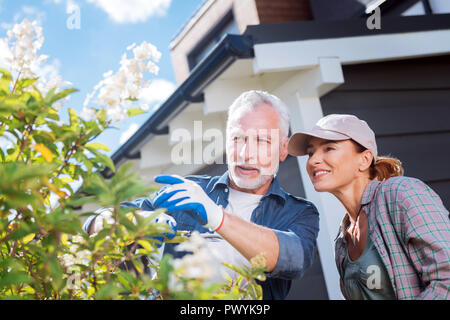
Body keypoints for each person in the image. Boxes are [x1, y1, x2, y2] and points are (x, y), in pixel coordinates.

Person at [83, 90, 320, 300]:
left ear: (282, 149)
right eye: (238, 138)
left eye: (262, 140)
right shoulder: (188, 191)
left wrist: (217, 217)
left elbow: (293, 258)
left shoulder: (299, 212)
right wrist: (138, 222)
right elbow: (94, 224)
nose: (247, 153)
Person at [287, 113, 450, 300]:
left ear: (364, 160)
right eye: (310, 152)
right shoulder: (342, 241)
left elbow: (446, 281)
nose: (313, 160)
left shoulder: (401, 193)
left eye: (329, 148)